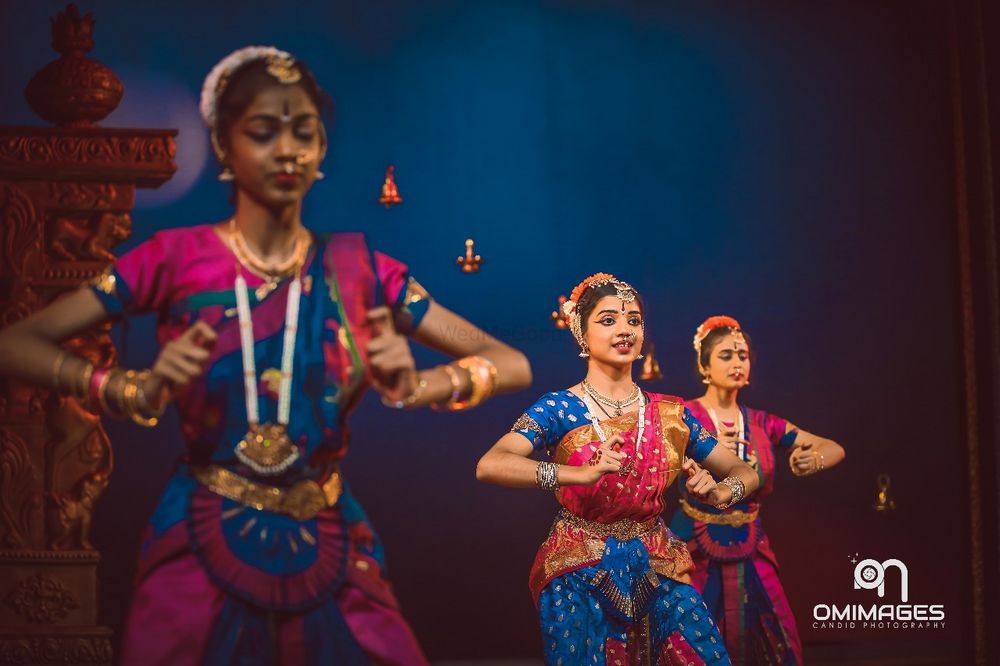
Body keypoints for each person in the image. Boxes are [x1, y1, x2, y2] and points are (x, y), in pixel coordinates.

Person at [0, 46, 531, 665]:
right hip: (200, 527)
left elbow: (509, 361)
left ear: (323, 150)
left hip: (328, 526)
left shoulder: (362, 273)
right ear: (225, 146)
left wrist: (419, 385)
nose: (288, 151)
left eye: (305, 133)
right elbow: (15, 343)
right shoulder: (174, 259)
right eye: (263, 132)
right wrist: (126, 390)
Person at [476, 273, 758, 665]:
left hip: (657, 564)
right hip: (578, 569)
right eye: (608, 320)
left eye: (634, 320)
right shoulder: (558, 408)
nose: (625, 329)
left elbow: (745, 472)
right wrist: (575, 474)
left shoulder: (672, 414)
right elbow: (491, 464)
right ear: (581, 333)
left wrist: (721, 493)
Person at [668, 315, 845, 665]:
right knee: (686, 634)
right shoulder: (682, 415)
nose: (737, 363)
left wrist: (814, 461)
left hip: (750, 542)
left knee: (779, 637)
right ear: (704, 365)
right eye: (726, 355)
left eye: (743, 355)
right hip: (692, 542)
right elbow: (657, 462)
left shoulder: (764, 423)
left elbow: (833, 448)